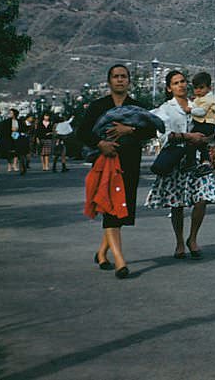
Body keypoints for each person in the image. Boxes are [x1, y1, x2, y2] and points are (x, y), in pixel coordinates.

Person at [77, 64, 156, 279]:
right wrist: (100, 143)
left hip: (129, 163)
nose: (120, 80)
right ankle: (120, 261)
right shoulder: (98, 106)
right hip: (105, 163)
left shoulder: (137, 107)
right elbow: (82, 132)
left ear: (129, 81)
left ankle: (102, 252)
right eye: (115, 76)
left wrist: (130, 130)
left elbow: (151, 130)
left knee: (120, 208)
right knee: (110, 206)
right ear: (109, 81)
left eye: (123, 76)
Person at [145, 70, 215, 260]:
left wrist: (206, 138)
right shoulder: (166, 109)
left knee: (203, 198)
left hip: (197, 159)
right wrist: (188, 136)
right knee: (177, 204)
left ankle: (192, 238)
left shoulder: (197, 104)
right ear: (169, 88)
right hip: (177, 159)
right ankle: (179, 242)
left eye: (183, 81)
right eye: (176, 83)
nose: (181, 85)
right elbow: (164, 136)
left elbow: (211, 130)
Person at [188, 72, 215, 167]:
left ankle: (195, 161)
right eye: (196, 88)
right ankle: (202, 161)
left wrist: (189, 110)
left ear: (209, 88)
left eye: (201, 87)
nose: (198, 90)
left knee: (192, 140)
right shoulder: (199, 98)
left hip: (205, 124)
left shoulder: (208, 99)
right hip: (201, 123)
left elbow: (201, 112)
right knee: (201, 145)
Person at [0, 108, 27, 174]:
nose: (10, 114)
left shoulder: (19, 121)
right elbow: (3, 130)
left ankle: (15, 164)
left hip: (17, 138)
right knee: (9, 152)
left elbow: (23, 129)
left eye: (11, 113)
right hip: (9, 138)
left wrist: (17, 130)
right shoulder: (7, 121)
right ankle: (9, 165)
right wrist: (11, 130)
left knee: (17, 152)